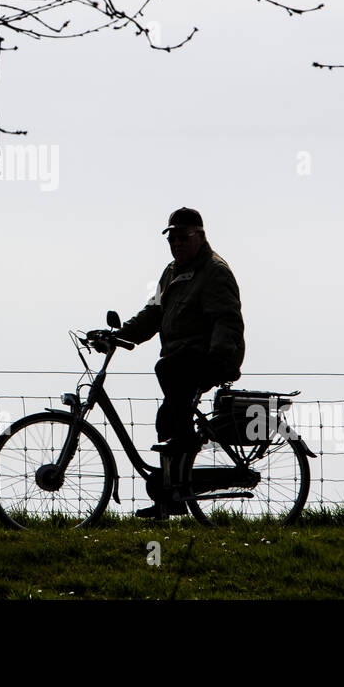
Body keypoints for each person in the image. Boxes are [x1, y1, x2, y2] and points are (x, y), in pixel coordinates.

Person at [97, 207, 245, 518]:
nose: (176, 243)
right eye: (172, 238)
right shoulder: (172, 272)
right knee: (168, 419)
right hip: (181, 359)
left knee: (168, 383)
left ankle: (180, 480)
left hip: (204, 357)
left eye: (183, 237)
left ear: (200, 236)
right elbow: (153, 313)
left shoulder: (215, 271)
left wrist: (218, 357)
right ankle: (171, 493)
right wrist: (119, 336)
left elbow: (227, 320)